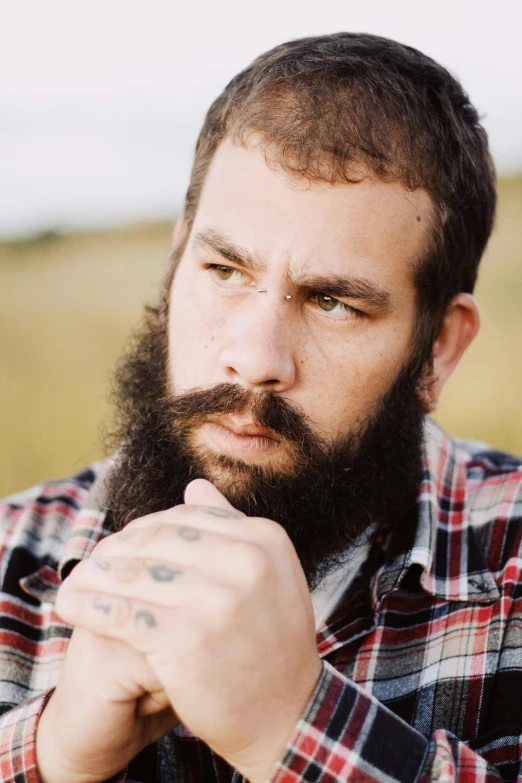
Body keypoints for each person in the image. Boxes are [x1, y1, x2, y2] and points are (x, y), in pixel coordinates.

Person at [0, 30, 520, 783]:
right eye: (224, 269)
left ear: (437, 347)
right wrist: (53, 753)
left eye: (335, 302)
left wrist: (296, 723)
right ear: (178, 263)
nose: (254, 357)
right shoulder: (11, 555)